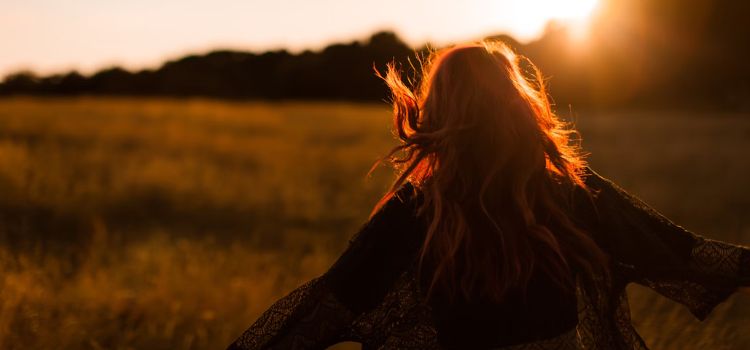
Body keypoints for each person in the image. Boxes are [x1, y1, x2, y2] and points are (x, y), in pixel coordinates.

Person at [227, 41, 749, 349]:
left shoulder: (415, 211)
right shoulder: (570, 194)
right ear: (517, 106)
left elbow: (321, 308)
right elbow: (696, 256)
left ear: (439, 114)